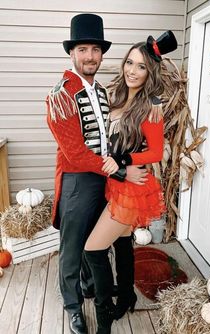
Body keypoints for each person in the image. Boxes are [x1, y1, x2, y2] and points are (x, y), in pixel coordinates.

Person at [46, 13, 147, 334]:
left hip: (104, 179)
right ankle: (73, 305)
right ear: (72, 53)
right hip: (77, 180)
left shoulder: (102, 90)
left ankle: (90, 287)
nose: (90, 56)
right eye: (83, 49)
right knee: (72, 247)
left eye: (95, 50)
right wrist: (119, 173)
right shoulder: (60, 95)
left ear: (101, 54)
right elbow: (75, 153)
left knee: (95, 240)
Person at [84, 30, 178, 334]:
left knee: (93, 249)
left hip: (131, 188)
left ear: (149, 73)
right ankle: (125, 295)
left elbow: (154, 151)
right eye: (130, 63)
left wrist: (124, 162)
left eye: (141, 67)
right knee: (123, 243)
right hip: (119, 183)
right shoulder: (120, 97)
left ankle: (104, 318)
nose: (132, 71)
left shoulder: (151, 105)